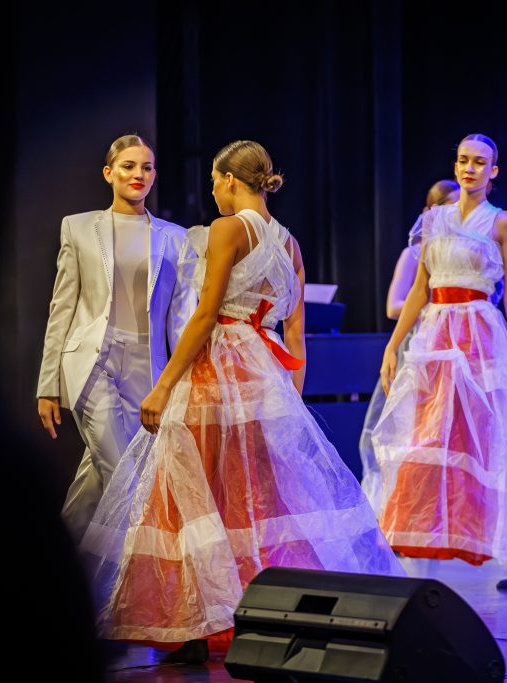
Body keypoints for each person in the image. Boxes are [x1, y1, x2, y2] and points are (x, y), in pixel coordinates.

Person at [81, 140, 402, 663]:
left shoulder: (228, 229)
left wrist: (163, 386)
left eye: (214, 181)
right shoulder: (289, 242)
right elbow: (295, 332)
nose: (212, 191)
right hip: (264, 376)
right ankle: (262, 614)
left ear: (230, 179)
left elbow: (206, 314)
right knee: (256, 497)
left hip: (218, 369)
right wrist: (288, 398)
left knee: (193, 489)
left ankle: (193, 622)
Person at [372, 133, 507, 590]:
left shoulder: (503, 222)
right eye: (463, 160)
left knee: (494, 436)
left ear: (493, 170)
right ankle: (417, 534)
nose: (469, 168)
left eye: (479, 162)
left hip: (479, 334)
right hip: (436, 333)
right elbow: (420, 288)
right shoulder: (434, 219)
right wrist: (392, 345)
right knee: (427, 434)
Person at [36, 134, 194, 539]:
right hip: (93, 363)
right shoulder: (78, 227)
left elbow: (181, 318)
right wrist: (48, 385)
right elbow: (62, 308)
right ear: (109, 173)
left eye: (147, 167)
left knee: (97, 481)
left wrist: (183, 382)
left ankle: (65, 559)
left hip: (148, 369)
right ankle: (131, 572)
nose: (138, 174)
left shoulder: (176, 237)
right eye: (128, 166)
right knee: (125, 477)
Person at [358, 179, 459, 511]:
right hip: (418, 344)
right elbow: (394, 306)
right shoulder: (415, 253)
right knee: (404, 428)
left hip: (448, 346)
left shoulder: (461, 251)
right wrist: (437, 301)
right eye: (449, 206)